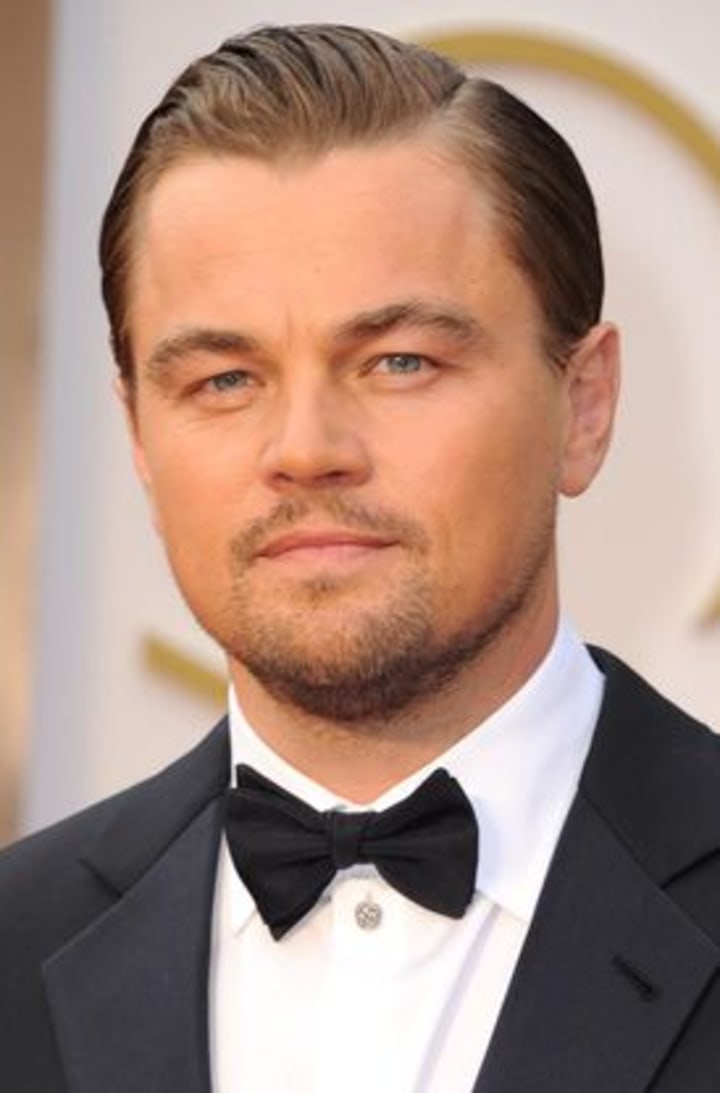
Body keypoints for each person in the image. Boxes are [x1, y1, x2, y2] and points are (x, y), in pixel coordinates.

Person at [2, 23, 720, 1093]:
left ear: (583, 405)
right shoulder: (17, 941)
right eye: (225, 380)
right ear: (141, 441)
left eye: (398, 361)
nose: (304, 450)